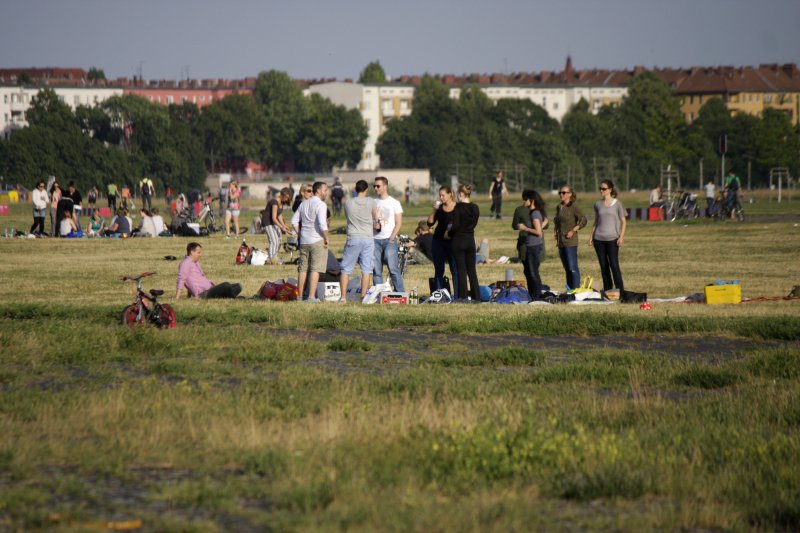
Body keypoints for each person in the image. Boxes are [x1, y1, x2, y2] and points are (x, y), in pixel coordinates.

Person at [291, 181, 330, 303]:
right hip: (317, 239)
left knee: (302, 269)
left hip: (304, 241)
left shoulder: (303, 204)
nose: (327, 192)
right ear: (318, 191)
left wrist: (299, 233)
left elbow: (293, 221)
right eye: (325, 190)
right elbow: (322, 223)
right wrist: (326, 237)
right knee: (315, 269)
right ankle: (311, 297)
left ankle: (299, 296)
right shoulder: (321, 205)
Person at [339, 180, 377, 303]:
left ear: (355, 189)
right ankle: (363, 297)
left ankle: (343, 297)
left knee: (346, 268)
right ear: (366, 190)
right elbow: (375, 218)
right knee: (366, 269)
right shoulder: (371, 201)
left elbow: (348, 217)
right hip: (367, 237)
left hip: (353, 237)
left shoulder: (348, 202)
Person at [589, 179, 627, 292]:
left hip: (612, 239)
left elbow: (624, 221)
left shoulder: (618, 204)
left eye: (604, 189)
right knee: (604, 266)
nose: (601, 190)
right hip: (598, 239)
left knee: (614, 265)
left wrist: (621, 237)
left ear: (610, 189)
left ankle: (620, 290)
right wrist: (591, 237)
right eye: (600, 188)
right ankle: (608, 290)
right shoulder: (597, 204)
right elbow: (596, 221)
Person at [445, 184, 480, 302]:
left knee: (461, 270)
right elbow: (474, 223)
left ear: (461, 194)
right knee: (472, 271)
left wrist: (448, 233)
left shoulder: (458, 208)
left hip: (458, 241)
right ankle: (477, 297)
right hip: (470, 240)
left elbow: (455, 226)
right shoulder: (475, 208)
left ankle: (463, 296)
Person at [176, 242, 242, 299]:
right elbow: (181, 280)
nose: (200, 255)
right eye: (198, 253)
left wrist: (189, 295)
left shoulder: (195, 262)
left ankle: (227, 296)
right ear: (192, 252)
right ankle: (228, 295)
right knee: (226, 285)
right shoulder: (185, 263)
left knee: (237, 286)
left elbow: (191, 281)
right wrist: (177, 298)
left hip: (210, 289)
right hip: (203, 294)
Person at [372, 176, 405, 292]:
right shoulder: (373, 202)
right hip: (375, 240)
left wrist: (392, 238)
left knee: (393, 268)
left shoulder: (394, 202)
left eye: (378, 186)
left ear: (385, 186)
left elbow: (399, 223)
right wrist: (373, 226)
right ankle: (379, 294)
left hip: (389, 240)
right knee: (376, 270)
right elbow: (368, 220)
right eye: (374, 186)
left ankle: (401, 293)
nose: (375, 188)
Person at [554, 185, 587, 291]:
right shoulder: (559, 207)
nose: (561, 194)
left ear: (570, 194)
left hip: (570, 242)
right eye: (560, 192)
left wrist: (573, 230)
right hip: (561, 241)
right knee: (567, 268)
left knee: (572, 267)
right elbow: (557, 221)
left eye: (564, 193)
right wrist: (556, 231)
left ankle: (576, 289)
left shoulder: (574, 206)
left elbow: (583, 220)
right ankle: (570, 290)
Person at [427, 186, 458, 295]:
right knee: (439, 270)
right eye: (439, 195)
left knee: (455, 269)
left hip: (452, 242)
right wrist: (434, 210)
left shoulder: (457, 207)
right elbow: (430, 223)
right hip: (438, 241)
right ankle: (438, 294)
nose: (441, 197)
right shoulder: (439, 208)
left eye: (443, 195)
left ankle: (458, 294)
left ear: (450, 194)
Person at [518, 190, 547, 300]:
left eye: (525, 199)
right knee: (529, 271)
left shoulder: (534, 213)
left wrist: (525, 228)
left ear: (532, 200)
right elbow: (543, 223)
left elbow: (538, 232)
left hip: (534, 247)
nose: (524, 201)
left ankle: (537, 295)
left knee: (533, 272)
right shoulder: (534, 213)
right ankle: (533, 295)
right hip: (531, 246)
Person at [262, 187, 293, 261]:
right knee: (274, 241)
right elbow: (273, 218)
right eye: (286, 197)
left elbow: (279, 215)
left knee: (279, 239)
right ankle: (271, 259)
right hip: (268, 222)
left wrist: (284, 225)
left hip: (274, 222)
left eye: (288, 198)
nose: (286, 200)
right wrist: (282, 227)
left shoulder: (281, 203)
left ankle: (274, 256)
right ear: (282, 195)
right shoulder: (274, 202)